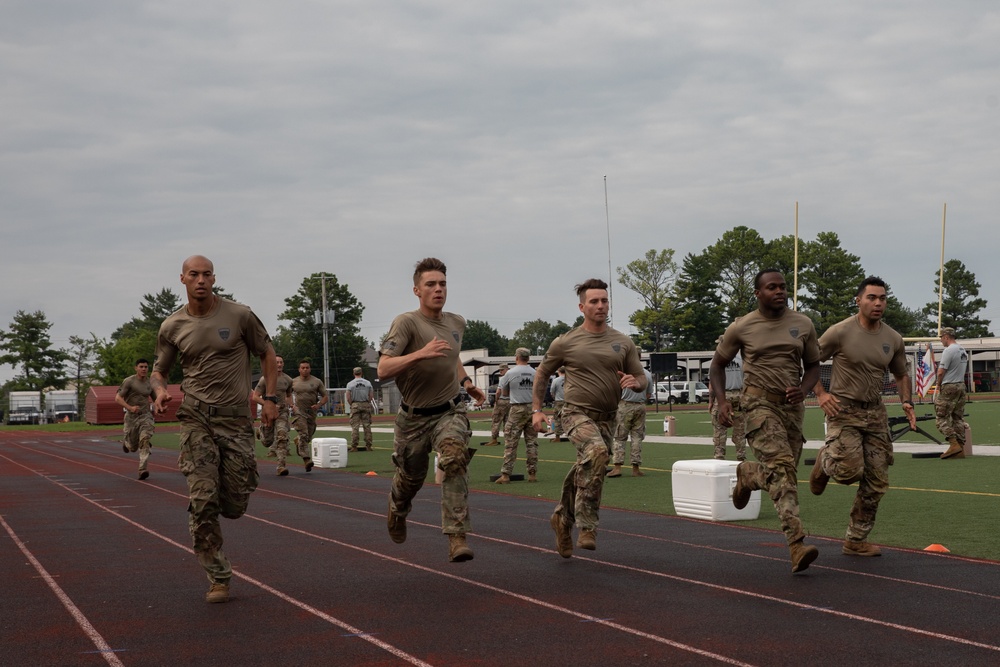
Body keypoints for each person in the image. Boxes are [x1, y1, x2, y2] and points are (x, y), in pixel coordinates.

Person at [151, 255, 278, 604]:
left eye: (207, 274)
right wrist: (160, 391)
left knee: (234, 504)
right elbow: (159, 371)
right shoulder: (172, 325)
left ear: (214, 278)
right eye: (194, 274)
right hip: (196, 419)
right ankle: (218, 575)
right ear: (183, 279)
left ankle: (232, 493)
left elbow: (268, 355)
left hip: (236, 420)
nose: (201, 280)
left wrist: (270, 399)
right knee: (203, 500)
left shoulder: (240, 315)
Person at [710, 269, 822, 574]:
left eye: (783, 287)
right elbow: (717, 365)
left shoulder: (803, 324)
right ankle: (796, 544)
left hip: (792, 409)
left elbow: (813, 366)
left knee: (781, 472)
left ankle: (748, 474)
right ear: (758, 293)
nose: (780, 292)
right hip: (758, 404)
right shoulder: (743, 326)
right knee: (783, 469)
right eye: (772, 287)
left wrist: (804, 389)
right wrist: (722, 401)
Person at [379, 257, 486, 562]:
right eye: (431, 284)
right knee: (411, 478)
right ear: (417, 290)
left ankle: (456, 536)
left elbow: (451, 357)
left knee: (453, 458)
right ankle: (397, 510)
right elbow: (384, 368)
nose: (438, 289)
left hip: (449, 411)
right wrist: (419, 354)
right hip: (413, 418)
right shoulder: (407, 323)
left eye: (442, 284)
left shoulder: (456, 323)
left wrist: (466, 383)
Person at [531, 278, 646, 558]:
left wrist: (636, 382)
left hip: (608, 417)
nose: (600, 305)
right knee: (596, 453)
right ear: (582, 306)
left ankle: (562, 518)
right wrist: (537, 410)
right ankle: (587, 526)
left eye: (604, 300)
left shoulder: (622, 342)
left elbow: (641, 377)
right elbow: (542, 373)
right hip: (574, 412)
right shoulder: (566, 342)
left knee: (590, 465)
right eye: (594, 301)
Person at [810, 276, 916, 557]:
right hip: (842, 410)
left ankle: (855, 540)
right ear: (858, 300)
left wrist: (906, 402)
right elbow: (808, 361)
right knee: (848, 473)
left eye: (882, 298)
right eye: (872, 298)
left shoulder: (892, 338)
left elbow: (901, 373)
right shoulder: (840, 332)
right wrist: (821, 394)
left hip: (875, 414)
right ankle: (825, 459)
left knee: (877, 481)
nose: (878, 303)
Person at [495, 348, 539, 484]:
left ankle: (506, 474)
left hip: (517, 408)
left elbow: (504, 393)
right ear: (528, 358)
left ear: (517, 357)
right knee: (531, 442)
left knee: (511, 442)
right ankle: (532, 473)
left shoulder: (509, 373)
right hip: (532, 408)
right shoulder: (535, 373)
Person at [252, 355, 294, 475]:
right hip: (268, 412)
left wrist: (290, 404)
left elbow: (289, 395)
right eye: (277, 362)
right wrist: (268, 404)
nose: (279, 365)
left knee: (282, 436)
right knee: (267, 442)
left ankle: (281, 466)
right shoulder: (265, 379)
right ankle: (261, 431)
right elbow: (255, 396)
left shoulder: (288, 380)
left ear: (283, 364)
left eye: (281, 362)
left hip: (282, 412)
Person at [115, 358, 157, 480]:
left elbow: (155, 399)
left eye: (146, 367)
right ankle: (127, 443)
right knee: (133, 447)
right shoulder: (129, 381)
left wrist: (160, 407)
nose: (144, 369)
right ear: (136, 368)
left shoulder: (150, 383)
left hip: (146, 416)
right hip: (131, 417)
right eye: (141, 367)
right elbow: (117, 398)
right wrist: (130, 407)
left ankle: (142, 469)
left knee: (145, 439)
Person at [608, 366, 654, 477]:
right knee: (637, 437)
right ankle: (636, 468)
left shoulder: (623, 372)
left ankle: (617, 467)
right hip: (640, 406)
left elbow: (614, 391)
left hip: (625, 405)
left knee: (620, 436)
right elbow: (648, 394)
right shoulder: (646, 373)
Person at [709, 335, 748, 462]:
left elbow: (713, 382)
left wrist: (711, 401)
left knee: (719, 428)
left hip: (723, 396)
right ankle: (741, 457)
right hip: (739, 395)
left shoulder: (717, 359)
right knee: (740, 429)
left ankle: (719, 456)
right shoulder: (742, 359)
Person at [935, 327, 969, 459]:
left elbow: (941, 371)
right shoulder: (962, 350)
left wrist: (938, 384)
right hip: (961, 385)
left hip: (949, 385)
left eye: (941, 338)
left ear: (946, 337)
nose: (941, 341)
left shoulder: (949, 350)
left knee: (941, 418)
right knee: (957, 417)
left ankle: (953, 443)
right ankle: (960, 449)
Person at [290, 360, 328, 472]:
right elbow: (286, 395)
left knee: (308, 436)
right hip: (299, 412)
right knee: (304, 434)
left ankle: (298, 441)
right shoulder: (293, 382)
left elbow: (325, 396)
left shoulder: (316, 381)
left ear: (310, 369)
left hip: (311, 412)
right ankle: (307, 459)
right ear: (299, 369)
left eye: (307, 367)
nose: (305, 369)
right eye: (303, 368)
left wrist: (319, 405)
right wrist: (292, 405)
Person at [346, 366, 375, 451]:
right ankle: (368, 445)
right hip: (366, 404)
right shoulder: (368, 383)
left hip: (355, 405)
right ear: (361, 373)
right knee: (367, 426)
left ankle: (354, 446)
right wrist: (367, 402)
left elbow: (348, 397)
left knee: (355, 426)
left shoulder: (350, 384)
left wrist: (352, 404)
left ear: (353, 373)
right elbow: (371, 396)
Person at [485, 363, 510, 446]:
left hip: (502, 401)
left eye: (502, 370)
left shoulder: (503, 379)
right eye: (500, 370)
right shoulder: (513, 377)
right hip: (510, 401)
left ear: (506, 369)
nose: (500, 371)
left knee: (496, 420)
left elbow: (498, 391)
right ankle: (508, 439)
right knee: (507, 421)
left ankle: (494, 439)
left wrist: (496, 400)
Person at [549, 367, 566, 442]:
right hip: (569, 401)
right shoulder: (571, 379)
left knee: (557, 418)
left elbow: (552, 391)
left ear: (558, 371)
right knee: (572, 418)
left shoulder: (556, 380)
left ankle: (557, 437)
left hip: (559, 401)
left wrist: (554, 397)